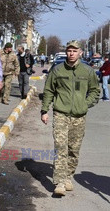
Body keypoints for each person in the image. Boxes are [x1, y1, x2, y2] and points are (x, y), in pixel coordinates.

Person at [41, 40, 99, 196]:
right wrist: (44, 110)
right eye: (69, 51)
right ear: (66, 52)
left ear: (80, 52)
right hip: (61, 114)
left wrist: (85, 104)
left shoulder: (87, 71)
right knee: (61, 147)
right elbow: (48, 91)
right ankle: (59, 182)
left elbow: (95, 91)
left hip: (79, 116)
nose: (71, 53)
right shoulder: (58, 70)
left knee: (73, 150)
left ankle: (68, 177)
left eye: (74, 51)